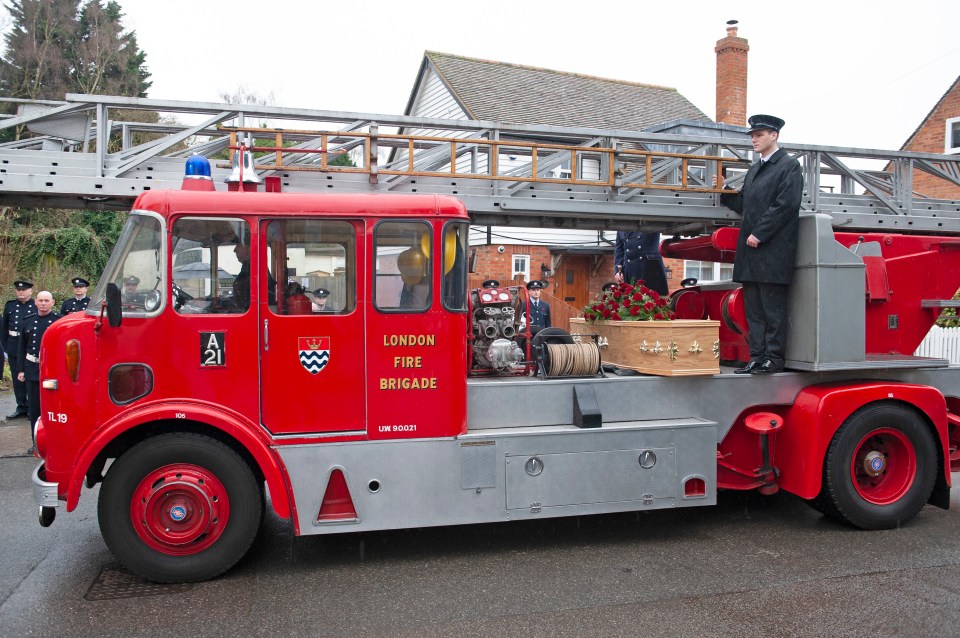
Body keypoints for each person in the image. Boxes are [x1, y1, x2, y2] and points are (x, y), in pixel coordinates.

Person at [720, 114, 803, 375]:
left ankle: (773, 358)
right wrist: (723, 190)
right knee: (753, 308)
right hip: (752, 251)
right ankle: (757, 356)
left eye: (759, 135)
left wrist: (760, 233)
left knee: (772, 309)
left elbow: (786, 205)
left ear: (774, 135)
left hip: (772, 250)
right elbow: (744, 204)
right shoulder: (755, 169)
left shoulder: (789, 166)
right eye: (752, 136)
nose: (754, 139)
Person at [17, 290, 59, 452]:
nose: (43, 303)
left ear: (52, 303)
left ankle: (53, 441)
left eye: (46, 300)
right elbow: (22, 348)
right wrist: (21, 369)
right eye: (40, 300)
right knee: (34, 408)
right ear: (35, 302)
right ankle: (36, 443)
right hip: (32, 369)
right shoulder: (27, 322)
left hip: (51, 369)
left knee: (52, 408)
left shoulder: (57, 321)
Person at [1, 280, 36, 419]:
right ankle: (21, 406)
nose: (21, 292)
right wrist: (6, 346)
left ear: (30, 291)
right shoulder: (10, 305)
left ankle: (31, 408)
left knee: (30, 378)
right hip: (14, 346)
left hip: (29, 347)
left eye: (24, 290)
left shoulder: (35, 305)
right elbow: (3, 328)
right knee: (17, 379)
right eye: (18, 290)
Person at [614, 231, 669, 295]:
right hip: (630, 270)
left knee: (654, 300)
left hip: (649, 269)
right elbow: (619, 249)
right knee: (632, 300)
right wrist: (618, 270)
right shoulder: (621, 225)